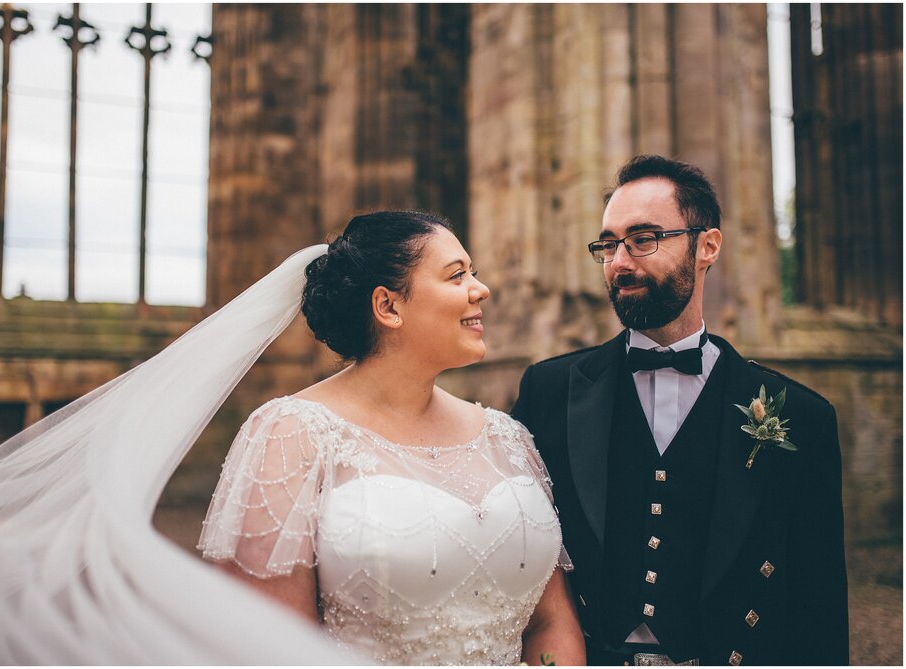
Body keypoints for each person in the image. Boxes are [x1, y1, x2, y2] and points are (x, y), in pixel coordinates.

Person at [199, 210, 585, 665]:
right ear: (388, 307)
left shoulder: (509, 438)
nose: (480, 289)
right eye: (456, 275)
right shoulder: (292, 434)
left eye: (473, 274)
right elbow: (276, 646)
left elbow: (552, 621)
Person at [511, 155, 849, 666]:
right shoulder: (548, 391)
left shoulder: (802, 417)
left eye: (644, 239)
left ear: (707, 246)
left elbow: (816, 605)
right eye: (608, 245)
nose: (620, 262)